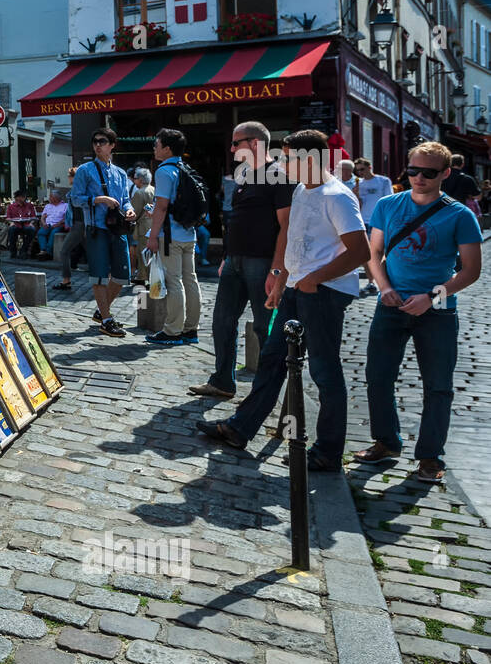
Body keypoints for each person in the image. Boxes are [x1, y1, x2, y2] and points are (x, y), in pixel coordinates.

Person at [198, 128, 370, 471]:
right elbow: (293, 241)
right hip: (296, 288)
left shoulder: (336, 196)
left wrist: (315, 279)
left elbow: (361, 251)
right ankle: (241, 427)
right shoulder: (301, 191)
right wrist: (281, 280)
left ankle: (328, 451)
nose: (282, 162)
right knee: (272, 358)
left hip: (325, 293)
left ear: (310, 159)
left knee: (324, 370)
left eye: (288, 157)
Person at [353, 141, 482, 484]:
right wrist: (384, 288)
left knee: (438, 386)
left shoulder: (460, 215)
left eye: (428, 173)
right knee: (378, 376)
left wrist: (432, 296)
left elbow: (470, 271)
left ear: (445, 174)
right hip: (391, 306)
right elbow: (374, 252)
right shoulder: (388, 205)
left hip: (437, 310)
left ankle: (429, 457)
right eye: (413, 171)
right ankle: (386, 441)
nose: (419, 178)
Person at [189, 121, 293, 400]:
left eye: (237, 143)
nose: (231, 148)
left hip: (262, 263)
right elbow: (237, 220)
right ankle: (222, 381)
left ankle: (271, 393)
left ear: (256, 144)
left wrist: (277, 268)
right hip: (235, 261)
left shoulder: (279, 175)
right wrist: (226, 256)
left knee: (264, 327)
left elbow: (287, 225)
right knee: (222, 321)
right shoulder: (245, 175)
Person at [68, 128, 136, 335]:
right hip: (96, 228)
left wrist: (130, 209)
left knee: (123, 275)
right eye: (95, 141)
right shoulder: (85, 170)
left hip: (118, 228)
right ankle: (106, 319)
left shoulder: (121, 173)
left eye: (103, 141)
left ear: (112, 145)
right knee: (98, 275)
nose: (98, 144)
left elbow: (125, 199)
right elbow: (75, 198)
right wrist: (98, 200)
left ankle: (101, 310)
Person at [143, 128, 200, 345]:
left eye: (156, 145)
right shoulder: (184, 168)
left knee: (174, 282)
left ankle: (172, 331)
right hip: (188, 232)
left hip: (170, 236)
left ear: (167, 149)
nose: (155, 149)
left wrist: (153, 236)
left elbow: (162, 207)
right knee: (191, 280)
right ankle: (190, 330)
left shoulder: (163, 171)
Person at [353, 157, 392, 295]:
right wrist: (355, 194)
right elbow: (358, 205)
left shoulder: (383, 181)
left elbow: (389, 200)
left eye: (362, 169)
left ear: (370, 167)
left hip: (379, 221)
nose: (360, 173)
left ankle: (383, 282)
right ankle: (371, 283)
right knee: (365, 255)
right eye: (357, 171)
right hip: (363, 221)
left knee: (379, 253)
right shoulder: (359, 184)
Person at [54, 166, 86, 292]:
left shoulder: (76, 190)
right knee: (91, 252)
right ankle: (104, 278)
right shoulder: (80, 189)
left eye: (69, 176)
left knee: (64, 251)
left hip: (79, 224)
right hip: (81, 224)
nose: (68, 178)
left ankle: (66, 280)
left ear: (74, 177)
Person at [130, 167, 156, 284]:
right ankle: (147, 276)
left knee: (142, 252)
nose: (134, 181)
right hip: (154, 225)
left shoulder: (139, 193)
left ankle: (143, 277)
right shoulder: (154, 190)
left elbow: (134, 212)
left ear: (140, 180)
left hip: (143, 227)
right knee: (151, 253)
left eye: (135, 178)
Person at [3, 192, 38, 257]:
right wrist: (11, 223)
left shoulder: (30, 206)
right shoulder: (11, 207)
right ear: (16, 198)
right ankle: (13, 251)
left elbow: (34, 216)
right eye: (19, 197)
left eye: (22, 197)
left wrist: (31, 223)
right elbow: (8, 218)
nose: (21, 199)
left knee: (31, 230)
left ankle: (24, 249)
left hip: (26, 224)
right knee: (12, 229)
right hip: (16, 224)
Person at [36, 190, 65, 258]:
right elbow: (43, 216)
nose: (49, 198)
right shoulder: (48, 206)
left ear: (56, 198)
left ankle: (48, 252)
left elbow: (66, 218)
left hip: (59, 225)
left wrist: (57, 224)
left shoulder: (65, 206)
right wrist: (43, 223)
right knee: (41, 233)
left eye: (50, 196)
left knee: (53, 233)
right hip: (48, 224)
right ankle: (43, 250)